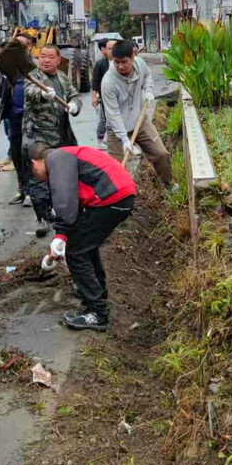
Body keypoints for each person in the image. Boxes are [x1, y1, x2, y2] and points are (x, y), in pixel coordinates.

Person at [30, 142, 136, 331]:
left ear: (34, 163)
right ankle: (97, 293)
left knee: (76, 252)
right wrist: (63, 235)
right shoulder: (65, 156)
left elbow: (64, 199)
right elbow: (74, 203)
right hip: (119, 195)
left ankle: (98, 313)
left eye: (33, 172)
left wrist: (61, 235)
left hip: (112, 197)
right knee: (85, 246)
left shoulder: (56, 159)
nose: (37, 178)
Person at [23, 44, 81, 237]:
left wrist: (74, 105)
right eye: (42, 57)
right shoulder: (33, 76)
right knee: (39, 177)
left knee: (65, 175)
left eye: (50, 57)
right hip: (39, 138)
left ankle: (65, 212)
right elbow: (29, 93)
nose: (45, 60)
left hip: (63, 135)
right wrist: (42, 94)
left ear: (58, 60)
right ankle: (42, 217)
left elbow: (74, 94)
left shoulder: (62, 78)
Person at [101, 40, 173, 188]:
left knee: (161, 154)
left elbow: (147, 76)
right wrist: (124, 139)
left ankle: (169, 185)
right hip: (117, 130)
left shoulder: (140, 64)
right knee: (117, 168)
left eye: (124, 62)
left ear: (133, 57)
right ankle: (122, 201)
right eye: (116, 62)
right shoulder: (108, 82)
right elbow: (113, 114)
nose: (120, 66)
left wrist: (148, 90)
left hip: (140, 122)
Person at [0, 34, 35, 206]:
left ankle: (31, 192)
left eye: (21, 46)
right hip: (13, 116)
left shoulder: (33, 67)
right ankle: (22, 190)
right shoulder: (8, 68)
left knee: (28, 155)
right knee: (16, 155)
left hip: (29, 118)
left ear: (29, 47)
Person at [91, 38, 117, 149]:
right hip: (105, 97)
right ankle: (100, 140)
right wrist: (94, 97)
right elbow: (95, 82)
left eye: (114, 48)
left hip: (120, 97)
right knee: (104, 119)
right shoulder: (101, 64)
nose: (112, 50)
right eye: (110, 48)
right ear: (104, 50)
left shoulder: (120, 62)